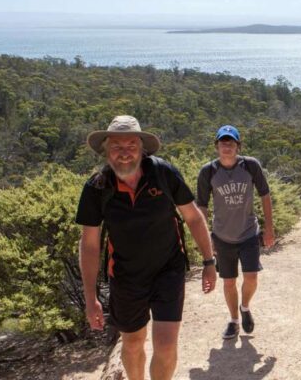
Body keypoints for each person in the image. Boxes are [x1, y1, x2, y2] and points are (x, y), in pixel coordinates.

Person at [76, 115, 217, 380]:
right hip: (126, 277)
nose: (124, 153)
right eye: (117, 147)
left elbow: (193, 217)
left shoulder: (163, 174)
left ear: (142, 149)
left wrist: (209, 262)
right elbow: (90, 244)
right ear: (106, 151)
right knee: (132, 342)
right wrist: (90, 296)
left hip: (168, 270)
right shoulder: (97, 188)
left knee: (165, 344)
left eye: (131, 145)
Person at [197, 125, 275, 340]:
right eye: (223, 142)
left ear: (238, 146)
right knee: (229, 282)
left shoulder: (250, 166)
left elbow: (265, 195)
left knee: (251, 278)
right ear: (216, 146)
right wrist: (206, 238)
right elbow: (201, 206)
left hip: (248, 233)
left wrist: (269, 228)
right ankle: (233, 320)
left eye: (231, 142)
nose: (227, 146)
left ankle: (245, 306)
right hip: (222, 236)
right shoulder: (208, 171)